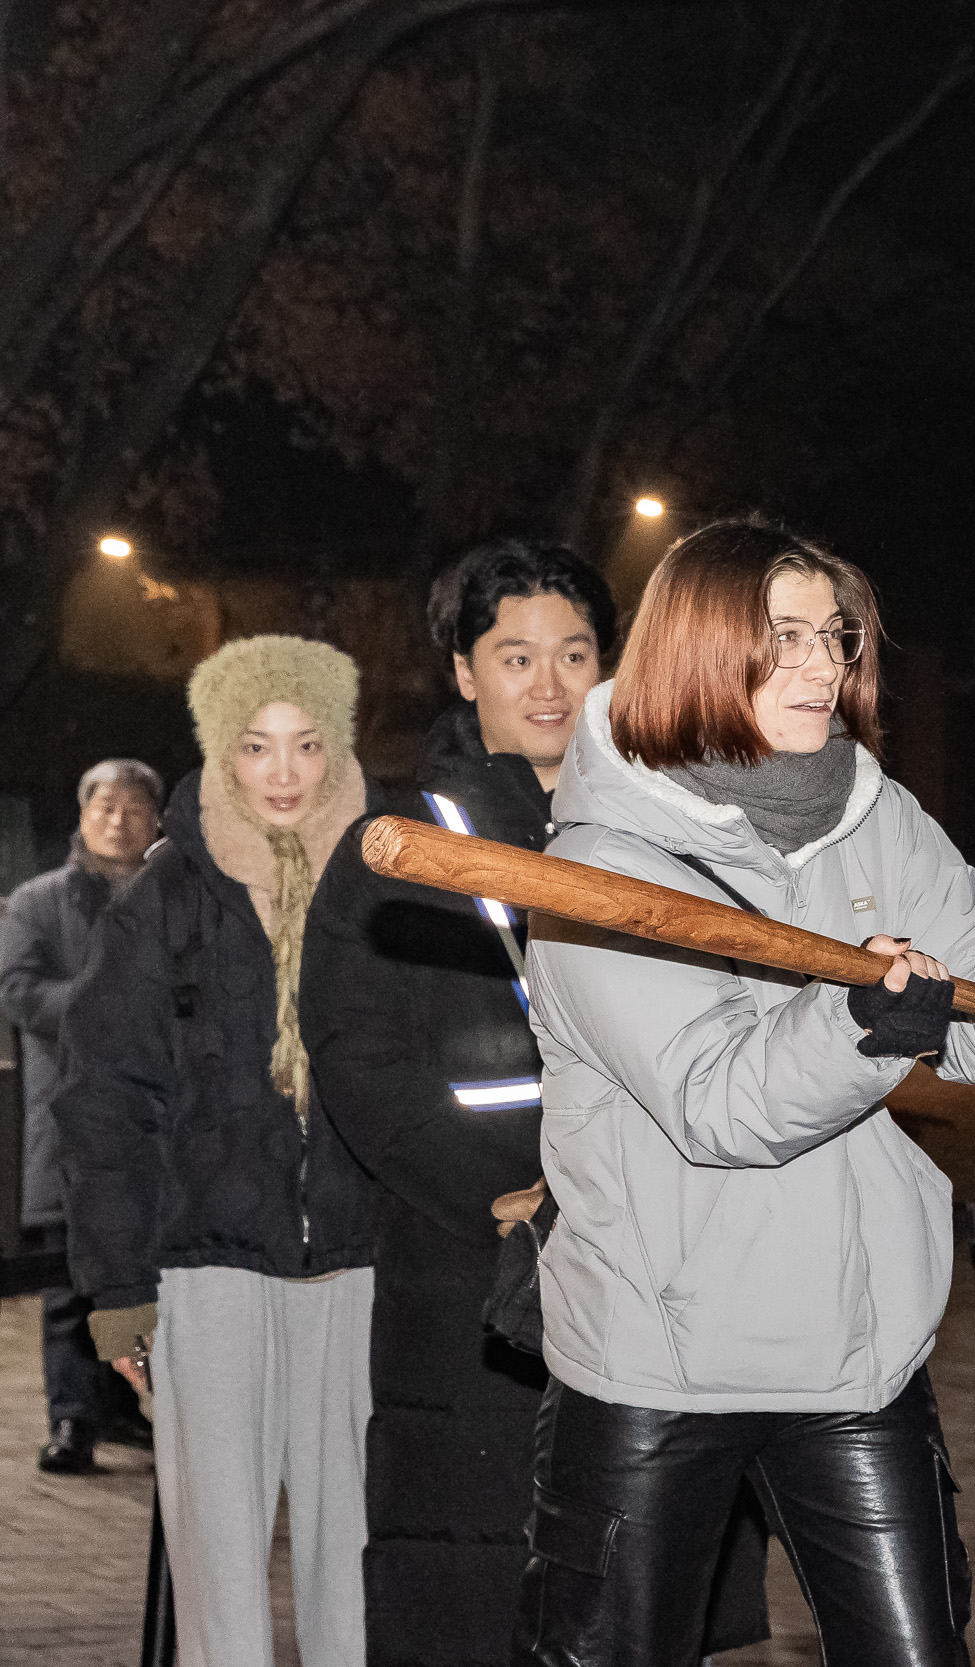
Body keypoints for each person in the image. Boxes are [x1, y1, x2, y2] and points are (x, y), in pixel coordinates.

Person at [516, 517, 975, 1664]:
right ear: (697, 647)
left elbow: (974, 993)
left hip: (849, 1344)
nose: (824, 664)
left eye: (834, 636)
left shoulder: (872, 815)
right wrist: (862, 1023)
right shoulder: (595, 870)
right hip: (656, 1355)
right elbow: (717, 1102)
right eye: (783, 637)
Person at [300, 541, 766, 1666]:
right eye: (515, 655)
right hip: (477, 1268)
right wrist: (504, 1194)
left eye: (573, 652)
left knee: (646, 1590)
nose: (548, 682)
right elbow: (360, 1057)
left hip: (658, 1258)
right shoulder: (402, 843)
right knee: (474, 1590)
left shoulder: (671, 828)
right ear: (465, 671)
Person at [57, 637, 381, 1667]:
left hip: (364, 1265)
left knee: (362, 1563)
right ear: (221, 752)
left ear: (339, 749)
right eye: (255, 744)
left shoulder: (387, 884)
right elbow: (105, 1098)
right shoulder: (162, 898)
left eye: (306, 742)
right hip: (207, 1270)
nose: (282, 770)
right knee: (219, 1564)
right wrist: (117, 1285)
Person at [0, 758, 162, 1473]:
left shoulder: (177, 894)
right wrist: (103, 1006)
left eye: (133, 807)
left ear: (156, 819)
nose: (118, 819)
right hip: (67, 1116)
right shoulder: (37, 901)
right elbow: (19, 991)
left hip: (154, 1121)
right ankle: (72, 1419)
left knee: (137, 1267)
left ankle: (128, 1409)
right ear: (82, 813)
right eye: (105, 806)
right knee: (70, 1274)